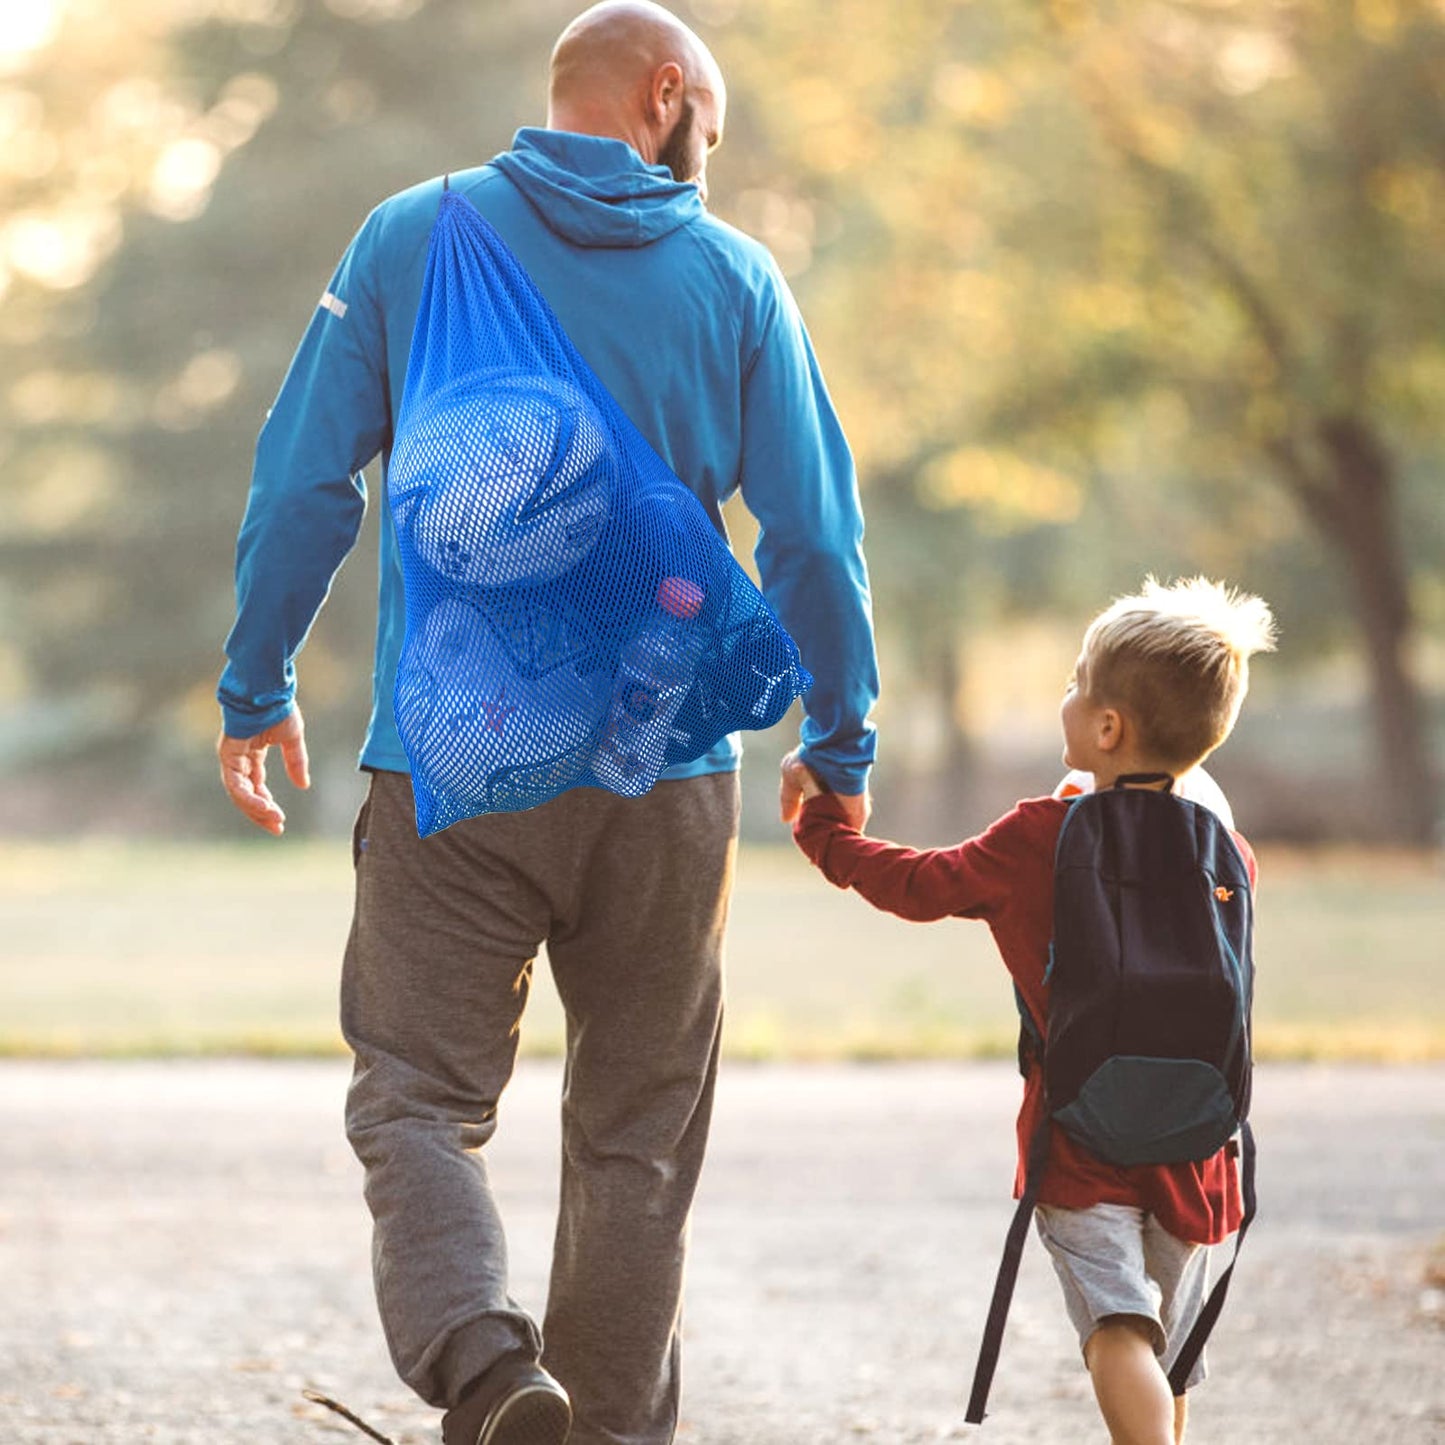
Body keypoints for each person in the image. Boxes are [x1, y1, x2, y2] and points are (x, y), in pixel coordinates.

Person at [214, 4, 879, 1443]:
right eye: (712, 115)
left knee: (413, 1097)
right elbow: (814, 540)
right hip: (666, 773)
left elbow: (304, 484)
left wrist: (256, 684)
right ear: (663, 94)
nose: (711, 146)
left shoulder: (412, 234)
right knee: (635, 1137)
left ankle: (488, 1367)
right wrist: (841, 740)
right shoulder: (734, 275)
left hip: (455, 767)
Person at [786, 577, 1276, 1445]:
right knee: (1169, 1348)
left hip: (1080, 1140)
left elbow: (913, 884)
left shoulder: (1038, 838)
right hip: (1199, 1147)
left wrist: (824, 829)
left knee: (1119, 1329)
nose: (1064, 694)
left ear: (1106, 728)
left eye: (1074, 681)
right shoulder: (1226, 852)